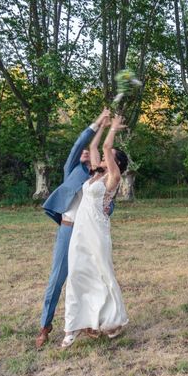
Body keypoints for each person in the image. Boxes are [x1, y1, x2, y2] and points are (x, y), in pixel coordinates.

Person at [36, 108, 111, 348]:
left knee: (90, 277)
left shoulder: (101, 179)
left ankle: (90, 323)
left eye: (90, 152)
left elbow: (109, 205)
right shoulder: (72, 171)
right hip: (69, 229)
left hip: (89, 232)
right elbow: (79, 143)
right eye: (84, 151)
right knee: (57, 279)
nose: (85, 152)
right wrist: (99, 122)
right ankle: (45, 326)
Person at [62, 114, 130, 347]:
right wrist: (102, 125)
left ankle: (110, 320)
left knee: (101, 274)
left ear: (115, 163)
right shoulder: (95, 174)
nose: (102, 157)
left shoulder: (113, 178)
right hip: (80, 231)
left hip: (98, 232)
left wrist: (113, 130)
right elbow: (94, 145)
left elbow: (106, 147)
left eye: (108, 157)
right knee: (78, 272)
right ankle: (76, 325)